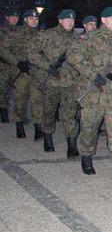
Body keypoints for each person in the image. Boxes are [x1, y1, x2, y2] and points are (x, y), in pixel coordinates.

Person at [67, 6, 112, 184]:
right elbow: (73, 56)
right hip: (95, 94)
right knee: (90, 128)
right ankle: (87, 156)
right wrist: (92, 74)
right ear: (103, 20)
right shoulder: (90, 37)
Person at [31, 9, 80, 156]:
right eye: (67, 20)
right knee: (49, 112)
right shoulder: (48, 35)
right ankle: (47, 137)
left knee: (70, 114)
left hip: (70, 82)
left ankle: (72, 147)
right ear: (60, 20)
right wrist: (47, 66)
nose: (70, 22)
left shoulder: (77, 38)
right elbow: (31, 52)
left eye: (72, 20)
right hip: (52, 82)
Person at [12, 10, 42, 139]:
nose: (34, 21)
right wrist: (17, 62)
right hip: (21, 73)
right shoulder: (16, 33)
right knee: (20, 101)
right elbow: (3, 49)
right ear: (25, 19)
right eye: (31, 19)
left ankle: (38, 129)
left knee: (37, 101)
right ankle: (19, 124)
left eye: (36, 19)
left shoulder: (41, 35)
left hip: (36, 73)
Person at [0, 9, 21, 123]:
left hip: (17, 66)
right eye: (12, 17)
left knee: (19, 90)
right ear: (7, 18)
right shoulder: (1, 31)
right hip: (4, 65)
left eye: (17, 17)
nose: (15, 19)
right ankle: (3, 110)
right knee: (2, 89)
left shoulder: (20, 30)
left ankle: (19, 114)